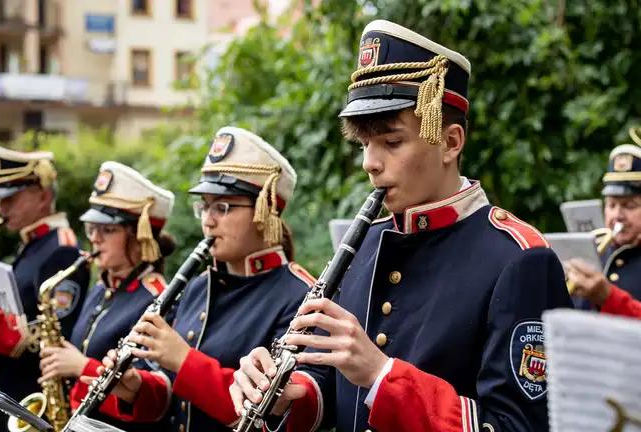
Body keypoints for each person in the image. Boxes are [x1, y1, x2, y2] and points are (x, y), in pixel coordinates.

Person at [230, 20, 574, 432]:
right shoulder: (367, 246)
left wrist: (382, 377)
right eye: (364, 145)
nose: (369, 163)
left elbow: (522, 425)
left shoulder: (519, 258)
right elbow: (335, 391)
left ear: (451, 142)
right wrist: (291, 396)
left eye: (391, 143)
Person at [84, 127, 315, 432]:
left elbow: (269, 415)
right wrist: (137, 388)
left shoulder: (301, 297)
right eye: (205, 206)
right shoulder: (197, 287)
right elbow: (173, 397)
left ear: (265, 210)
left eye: (223, 207)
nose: (208, 219)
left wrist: (183, 360)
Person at [37, 161, 177, 431]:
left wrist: (81, 367)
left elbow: (157, 398)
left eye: (108, 230)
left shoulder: (158, 298)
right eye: (92, 229)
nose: (95, 239)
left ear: (141, 236)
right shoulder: (102, 288)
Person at [0, 147, 90, 430]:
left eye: (11, 199)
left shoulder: (62, 249)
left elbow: (51, 333)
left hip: (27, 399)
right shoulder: (34, 245)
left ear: (43, 195)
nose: (1, 209)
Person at [567, 142, 641, 319]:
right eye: (611, 205)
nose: (617, 215)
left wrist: (609, 298)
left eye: (629, 205)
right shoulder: (596, 250)